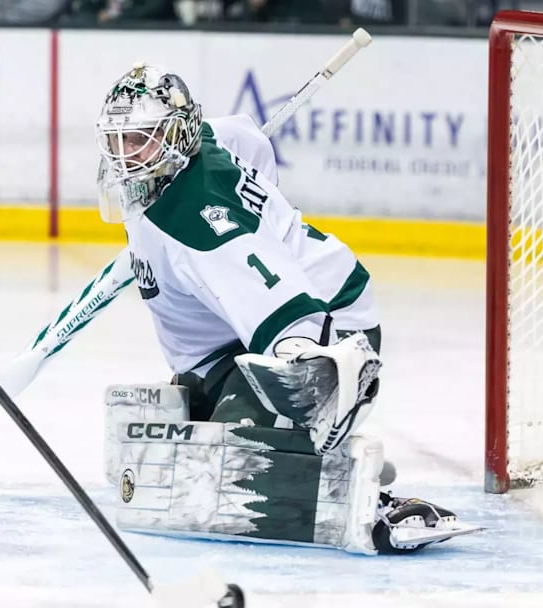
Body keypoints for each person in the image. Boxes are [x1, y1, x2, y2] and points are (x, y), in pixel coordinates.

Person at [94, 63, 479, 554]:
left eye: (140, 139)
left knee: (232, 475)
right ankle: (318, 455)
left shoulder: (203, 227)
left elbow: (290, 315)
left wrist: (312, 381)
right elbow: (246, 138)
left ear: (174, 135)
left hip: (326, 322)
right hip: (231, 337)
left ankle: (367, 497)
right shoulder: (194, 148)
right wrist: (264, 203)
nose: (127, 156)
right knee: (188, 454)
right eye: (118, 140)